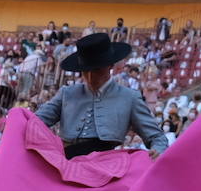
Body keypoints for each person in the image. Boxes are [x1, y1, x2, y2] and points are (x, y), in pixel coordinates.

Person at [34, 34, 168, 160]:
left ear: (110, 65)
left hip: (107, 164)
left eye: (97, 69)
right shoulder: (67, 93)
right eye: (86, 70)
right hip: (65, 161)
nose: (90, 77)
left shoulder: (129, 97)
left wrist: (157, 150)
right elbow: (35, 122)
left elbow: (157, 137)